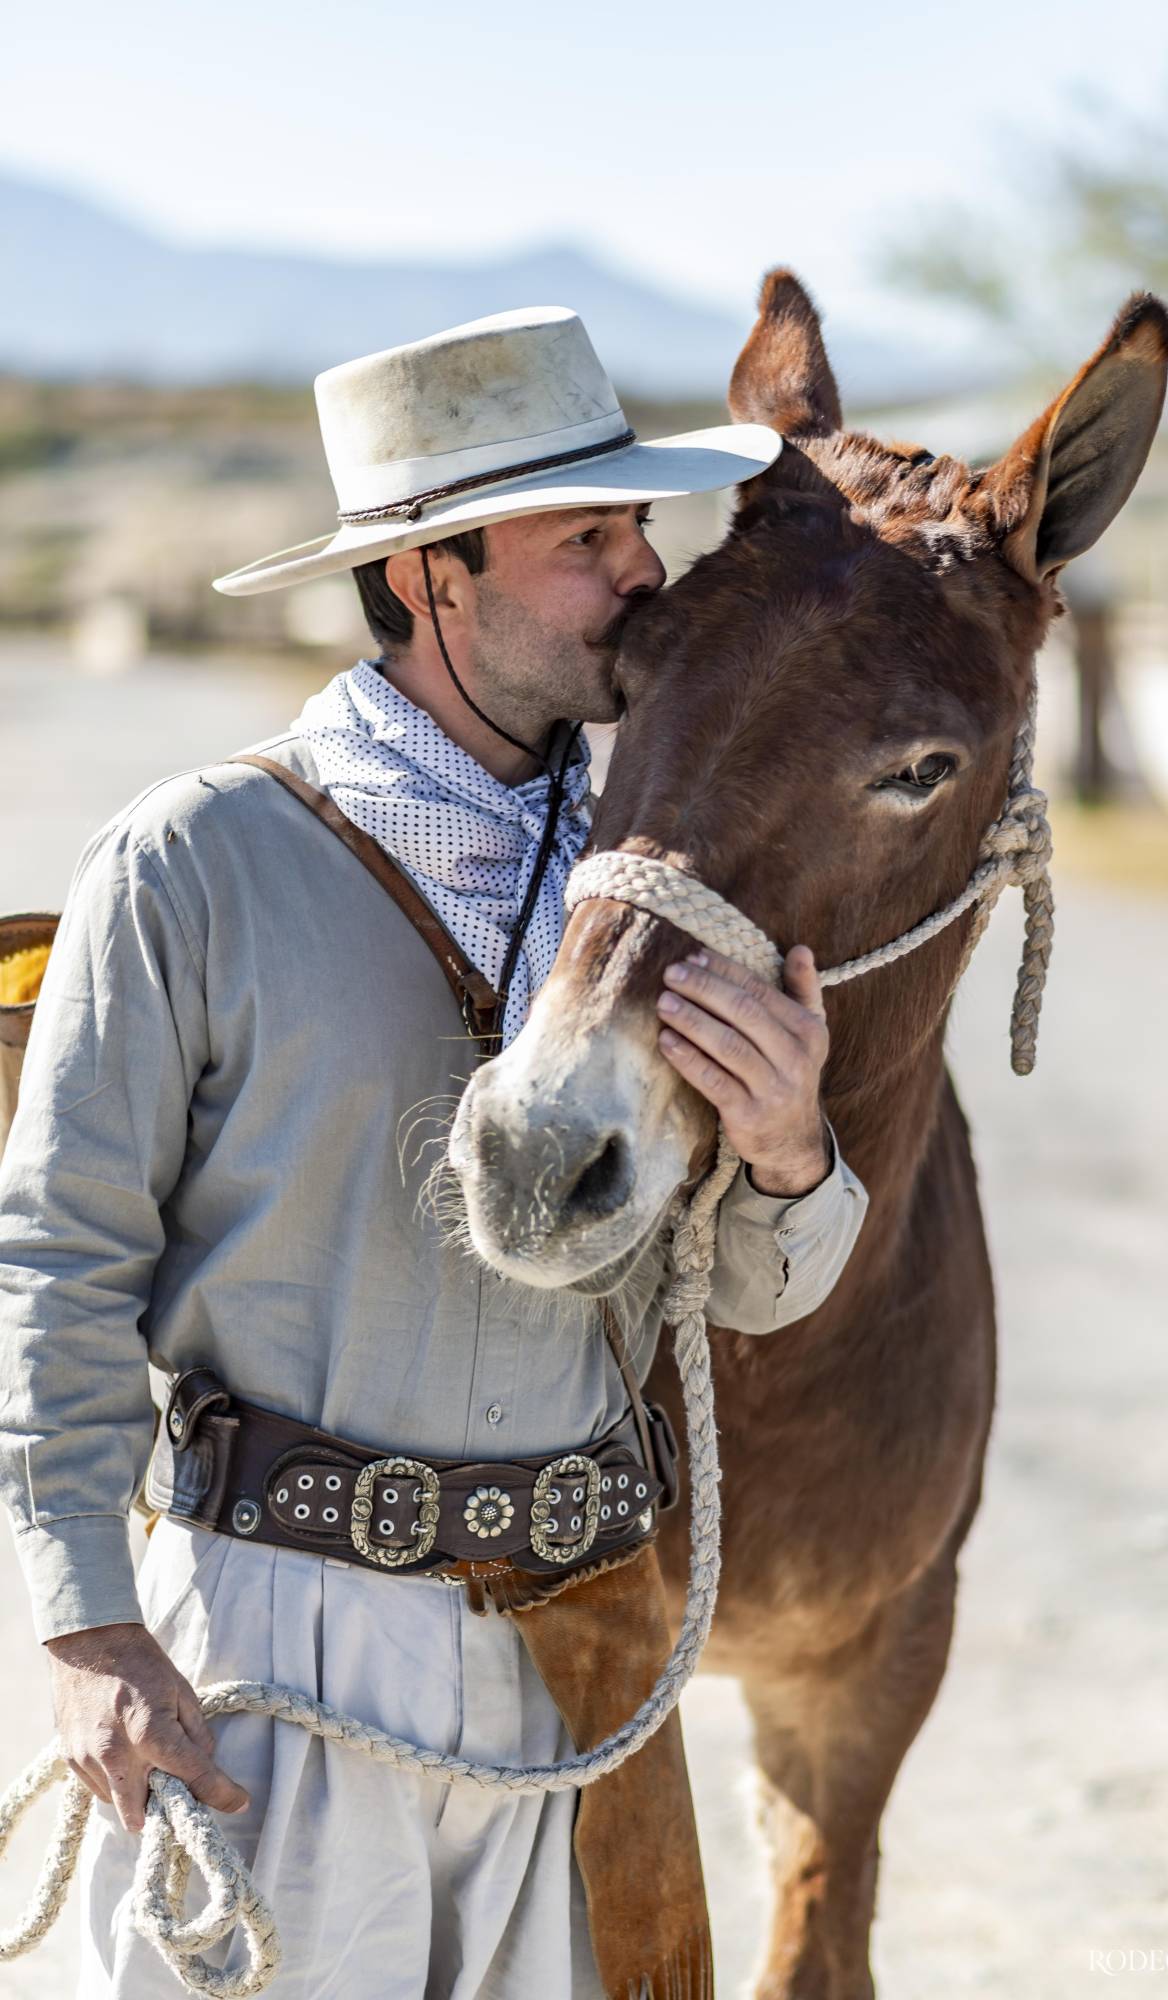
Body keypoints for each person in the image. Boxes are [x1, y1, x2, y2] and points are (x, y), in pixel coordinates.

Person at [0, 305, 869, 1997]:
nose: (647, 572)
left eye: (643, 526)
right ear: (427, 577)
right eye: (587, 538)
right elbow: (56, 1255)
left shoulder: (668, 891)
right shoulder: (194, 860)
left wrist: (785, 1155)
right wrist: (87, 1624)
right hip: (271, 1646)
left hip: (589, 1647)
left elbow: (742, 1299)